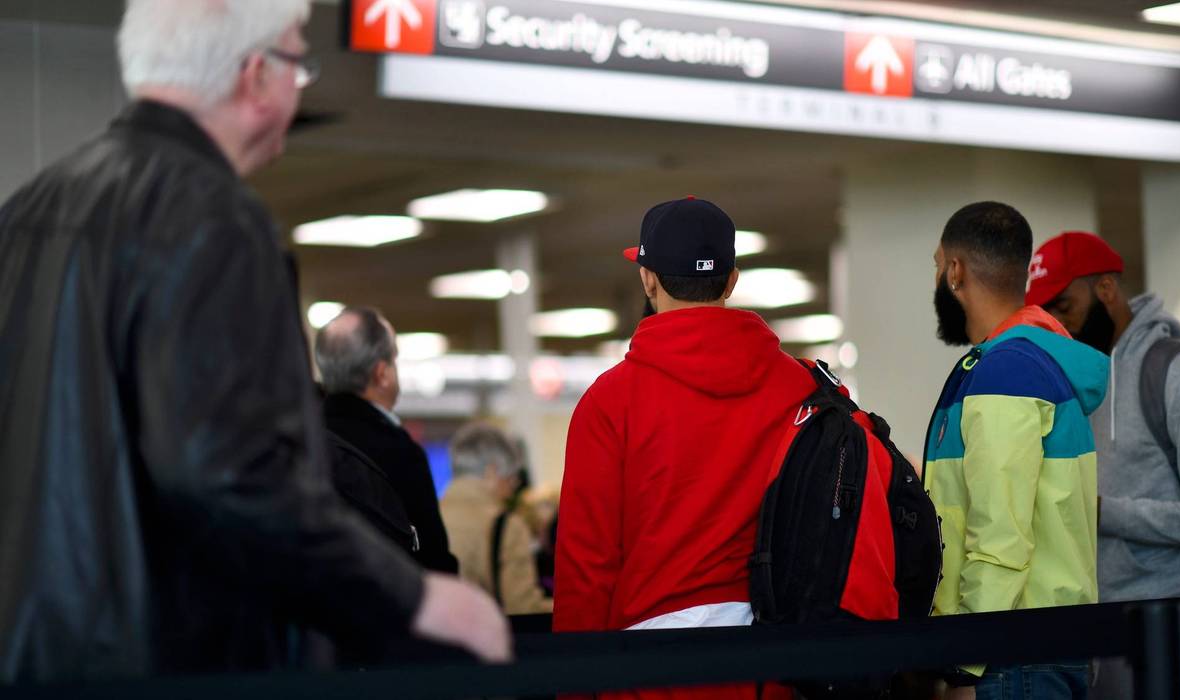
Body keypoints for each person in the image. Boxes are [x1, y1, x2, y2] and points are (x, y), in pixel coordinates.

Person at [0, 0, 507, 682]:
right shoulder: (212, 217)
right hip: (172, 656)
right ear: (255, 75)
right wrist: (413, 597)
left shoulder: (24, 213)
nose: (301, 86)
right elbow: (229, 470)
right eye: (299, 62)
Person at [554, 196, 814, 699]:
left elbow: (586, 568)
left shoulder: (609, 402)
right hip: (775, 666)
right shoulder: (801, 388)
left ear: (647, 279)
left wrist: (573, 685)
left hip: (648, 675)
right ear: (732, 279)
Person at [1027, 231, 1180, 700]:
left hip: (1167, 630)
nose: (1057, 323)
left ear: (1105, 289)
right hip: (1091, 634)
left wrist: (1105, 512)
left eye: (1064, 305)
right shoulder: (1076, 380)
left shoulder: (1178, 372)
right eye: (1047, 312)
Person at [925, 203, 1108, 699]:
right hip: (1040, 646)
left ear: (956, 271)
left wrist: (965, 666)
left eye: (938, 265)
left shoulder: (1006, 371)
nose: (938, 277)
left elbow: (1000, 538)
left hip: (1009, 658)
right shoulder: (1033, 359)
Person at [315, 307, 459, 574]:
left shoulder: (306, 441)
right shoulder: (400, 453)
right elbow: (434, 559)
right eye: (394, 360)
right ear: (382, 373)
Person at [440, 423, 554, 615]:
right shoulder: (505, 525)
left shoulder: (426, 517)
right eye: (511, 477)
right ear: (491, 472)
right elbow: (522, 607)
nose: (514, 487)